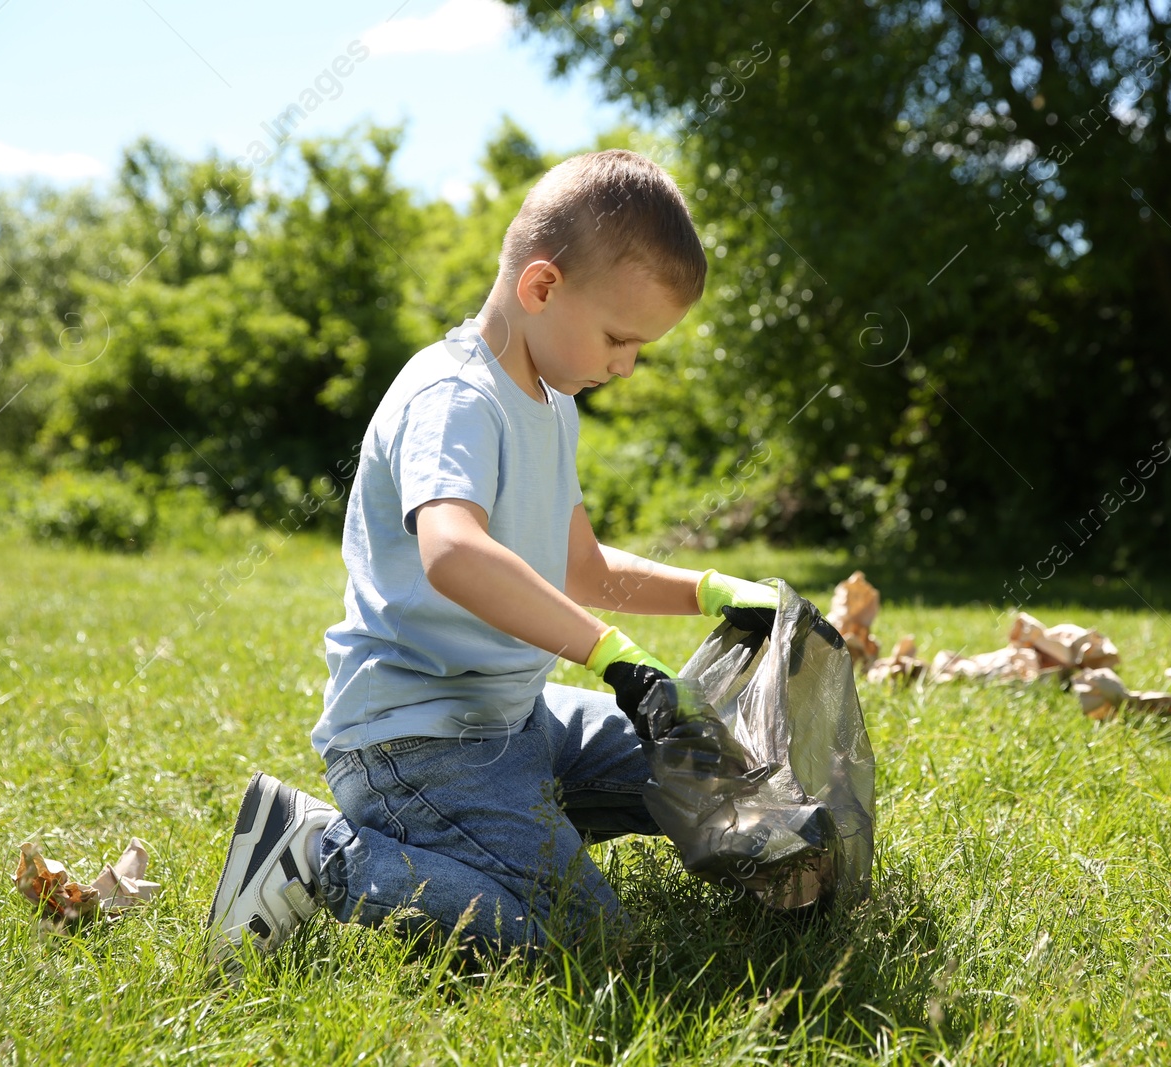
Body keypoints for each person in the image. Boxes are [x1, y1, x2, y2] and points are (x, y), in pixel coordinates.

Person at [204, 149, 777, 969]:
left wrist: (717, 591)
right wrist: (611, 654)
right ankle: (316, 852)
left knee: (705, 762)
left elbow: (580, 566)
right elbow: (453, 552)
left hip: (518, 720)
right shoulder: (454, 398)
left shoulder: (551, 400)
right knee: (587, 944)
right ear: (542, 287)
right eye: (621, 337)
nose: (627, 364)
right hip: (417, 743)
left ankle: (514, 830)